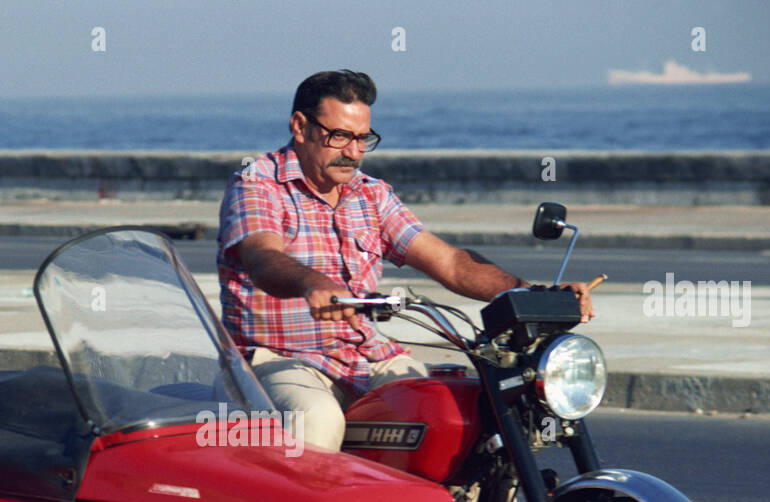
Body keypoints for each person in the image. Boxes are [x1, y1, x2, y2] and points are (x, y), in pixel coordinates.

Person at [217, 69, 594, 451]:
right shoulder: (258, 183)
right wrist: (310, 282)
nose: (353, 152)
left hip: (366, 358)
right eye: (340, 136)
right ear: (300, 126)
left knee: (457, 415)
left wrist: (532, 294)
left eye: (364, 139)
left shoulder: (370, 195)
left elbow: (448, 262)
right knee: (316, 418)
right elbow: (262, 257)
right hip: (275, 359)